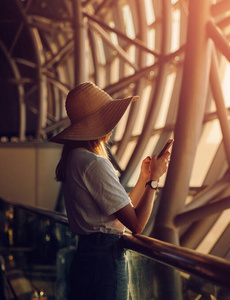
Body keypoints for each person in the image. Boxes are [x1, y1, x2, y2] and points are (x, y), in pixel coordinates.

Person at [51, 82, 171, 300]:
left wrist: (144, 178)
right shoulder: (93, 162)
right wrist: (154, 180)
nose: (113, 124)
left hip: (86, 258)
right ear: (97, 122)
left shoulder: (74, 158)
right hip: (105, 261)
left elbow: (120, 211)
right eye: (108, 116)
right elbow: (136, 225)